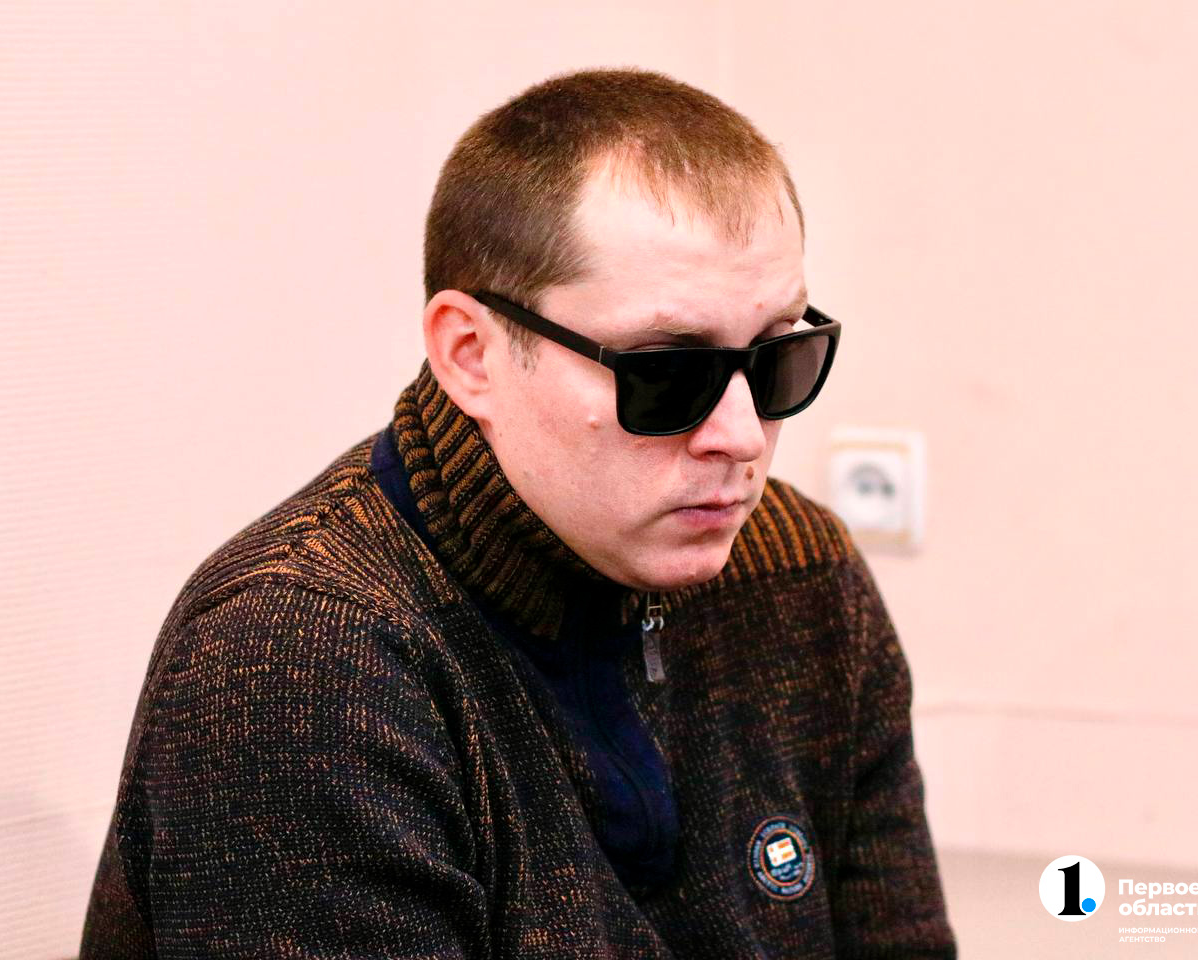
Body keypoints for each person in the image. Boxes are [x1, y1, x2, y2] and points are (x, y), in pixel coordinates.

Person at [80, 68, 956, 958]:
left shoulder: (797, 566)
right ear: (471, 354)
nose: (740, 436)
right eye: (665, 372)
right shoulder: (305, 654)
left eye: (777, 360)